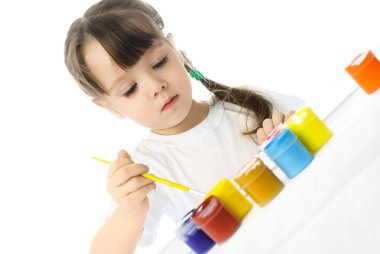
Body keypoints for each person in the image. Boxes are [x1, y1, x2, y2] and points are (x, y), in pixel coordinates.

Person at [64, 0, 305, 253]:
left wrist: (293, 138)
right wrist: (129, 211)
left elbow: (329, 134)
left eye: (158, 62)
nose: (155, 86)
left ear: (176, 50)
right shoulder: (148, 168)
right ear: (110, 107)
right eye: (130, 89)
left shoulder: (247, 105)